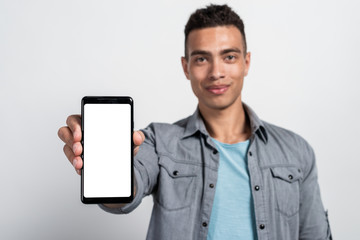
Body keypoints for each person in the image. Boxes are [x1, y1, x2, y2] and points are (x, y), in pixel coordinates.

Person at [58, 4, 332, 240]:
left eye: (229, 57)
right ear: (186, 66)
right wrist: (103, 163)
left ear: (246, 63)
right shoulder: (159, 141)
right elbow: (124, 193)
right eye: (202, 58)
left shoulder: (296, 151)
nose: (216, 72)